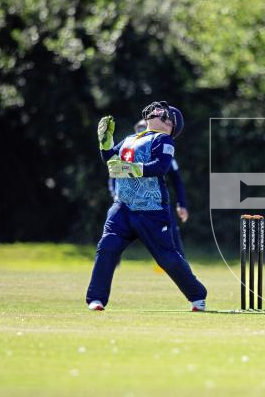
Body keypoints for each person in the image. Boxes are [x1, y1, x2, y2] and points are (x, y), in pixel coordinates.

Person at [86, 101, 207, 312]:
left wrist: (130, 169)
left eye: (162, 112)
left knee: (166, 258)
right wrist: (105, 143)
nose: (155, 111)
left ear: (170, 123)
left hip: (151, 210)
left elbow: (161, 166)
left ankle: (197, 296)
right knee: (107, 247)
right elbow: (112, 162)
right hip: (122, 207)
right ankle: (96, 299)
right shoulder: (131, 138)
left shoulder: (164, 139)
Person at [108, 119, 189, 258]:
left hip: (155, 204)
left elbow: (176, 179)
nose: (141, 131)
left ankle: (183, 271)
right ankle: (110, 266)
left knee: (172, 240)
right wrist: (115, 194)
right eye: (139, 128)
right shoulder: (128, 150)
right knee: (112, 237)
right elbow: (114, 173)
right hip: (129, 204)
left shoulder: (162, 152)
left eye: (143, 128)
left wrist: (181, 203)